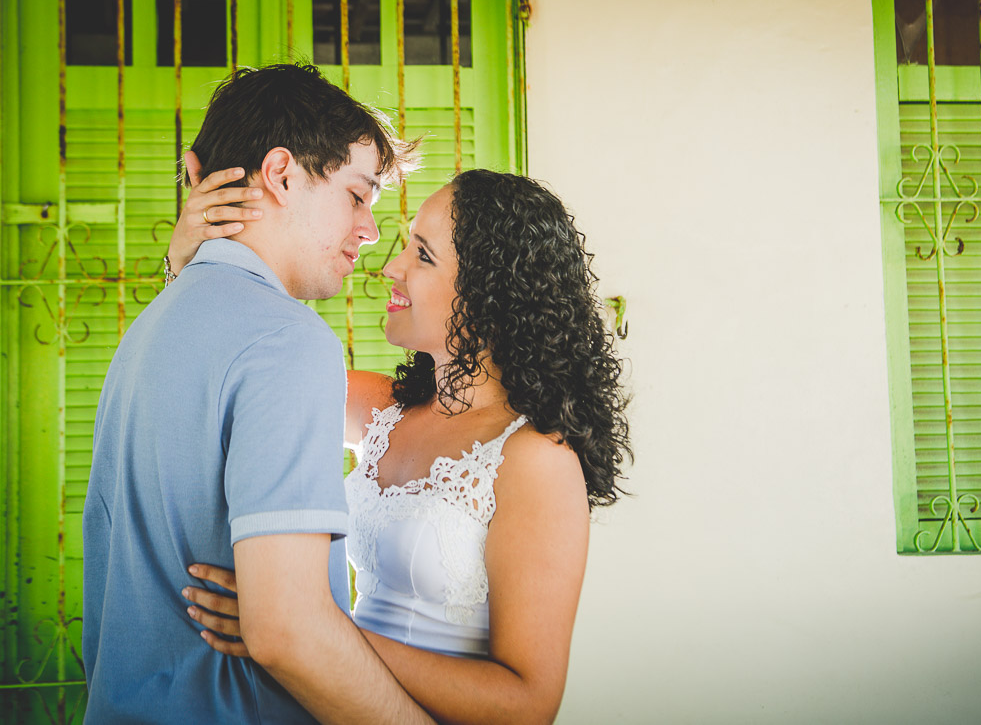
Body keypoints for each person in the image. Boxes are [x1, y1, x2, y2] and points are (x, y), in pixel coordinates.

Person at [166, 167, 632, 723]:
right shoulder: (380, 407)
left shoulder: (536, 460)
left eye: (424, 255)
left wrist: (314, 634)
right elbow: (223, 375)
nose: (392, 265)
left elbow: (526, 704)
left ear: (489, 296)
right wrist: (188, 265)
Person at [82, 63, 431, 724]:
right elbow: (289, 634)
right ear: (281, 173)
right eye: (357, 197)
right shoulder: (286, 342)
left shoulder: (153, 325)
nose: (368, 234)